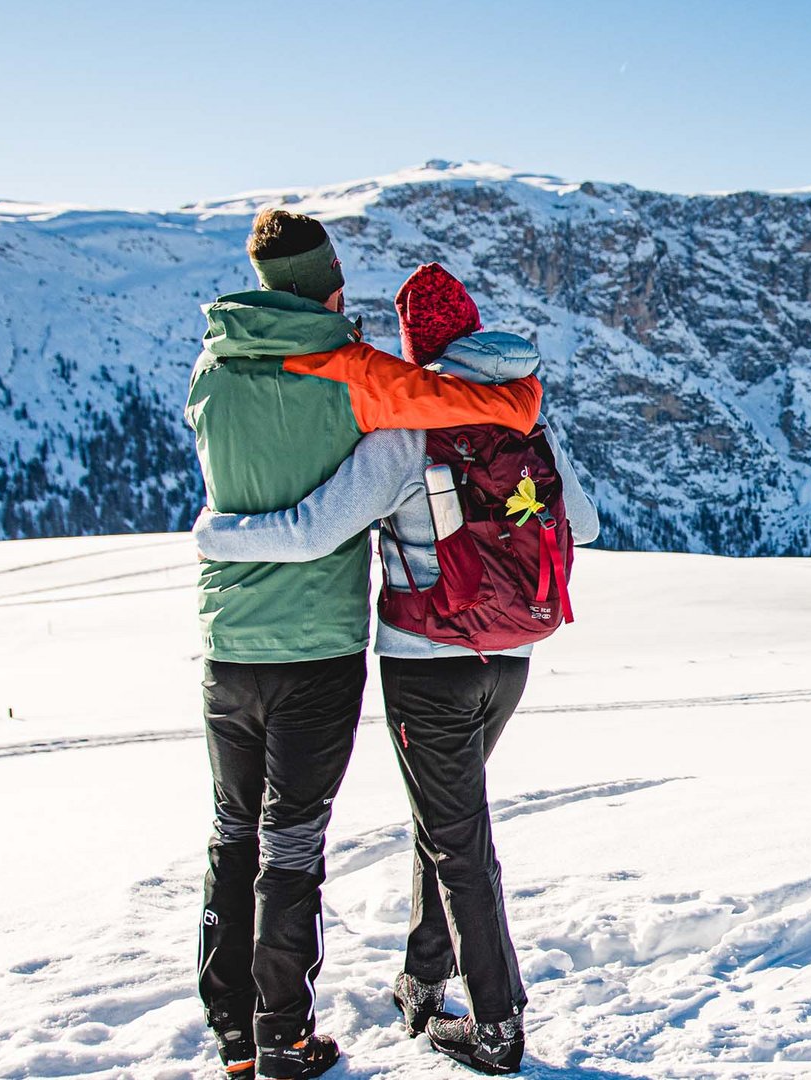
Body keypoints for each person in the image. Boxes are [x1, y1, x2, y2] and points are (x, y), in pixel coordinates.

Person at [195, 263, 598, 1075]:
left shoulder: (408, 430)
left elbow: (315, 530)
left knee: (459, 842)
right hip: (509, 661)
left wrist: (217, 535)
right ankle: (422, 977)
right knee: (444, 823)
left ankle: (497, 1025)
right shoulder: (526, 417)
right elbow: (581, 523)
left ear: (417, 346)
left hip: (428, 668)